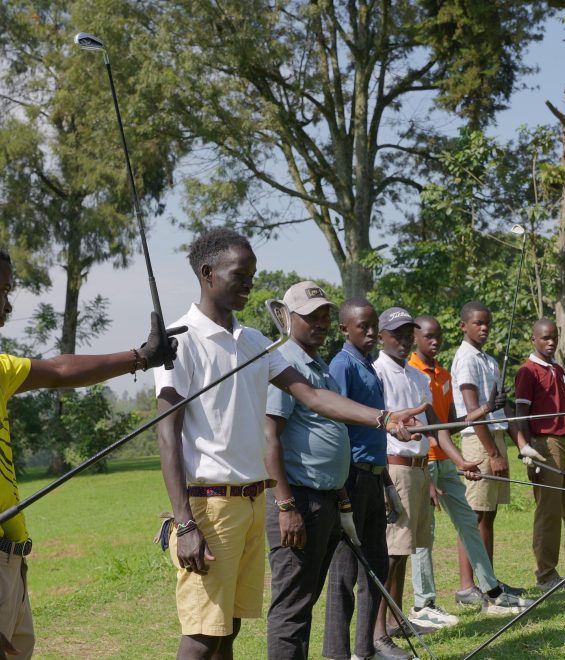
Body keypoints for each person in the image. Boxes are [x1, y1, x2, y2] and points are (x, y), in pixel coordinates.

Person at [154, 230, 423, 660]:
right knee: (203, 635)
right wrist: (185, 524)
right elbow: (167, 434)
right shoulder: (179, 339)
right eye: (239, 274)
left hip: (249, 502)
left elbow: (314, 396)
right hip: (208, 505)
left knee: (228, 631)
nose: (248, 283)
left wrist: (384, 418)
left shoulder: (255, 342)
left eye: (252, 275)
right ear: (207, 274)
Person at [0, 248, 181, 659]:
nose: (8, 304)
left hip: (11, 561)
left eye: (10, 290)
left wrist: (143, 357)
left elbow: (62, 370)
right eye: (2, 291)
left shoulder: (2, 369)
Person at [409, 315, 536, 624]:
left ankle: (491, 593)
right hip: (421, 462)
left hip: (445, 460)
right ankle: (424, 603)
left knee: (469, 522)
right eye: (428, 336)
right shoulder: (410, 373)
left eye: (438, 335)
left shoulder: (442, 374)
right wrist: (426, 474)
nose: (435, 341)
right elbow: (420, 429)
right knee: (423, 534)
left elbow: (449, 424)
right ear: (415, 338)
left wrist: (486, 409)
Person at [264, 281, 356, 659]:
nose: (320, 323)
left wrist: (341, 495)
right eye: (310, 317)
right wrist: (286, 507)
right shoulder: (283, 364)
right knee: (292, 611)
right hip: (298, 502)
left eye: (325, 316)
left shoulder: (317, 363)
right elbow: (269, 438)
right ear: (287, 319)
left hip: (324, 501)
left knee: (306, 601)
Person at [322, 298, 409, 660]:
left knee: (376, 566)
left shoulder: (368, 366)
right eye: (363, 327)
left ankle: (365, 651)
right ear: (345, 329)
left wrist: (386, 483)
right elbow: (336, 425)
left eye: (374, 325)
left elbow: (375, 436)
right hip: (351, 480)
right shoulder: (342, 366)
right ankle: (337, 654)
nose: (372, 332)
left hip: (373, 479)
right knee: (344, 573)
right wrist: (341, 490)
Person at [450, 301, 543, 597]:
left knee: (488, 515)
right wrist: (491, 453)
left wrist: (521, 444)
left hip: (496, 437)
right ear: (464, 325)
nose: (484, 327)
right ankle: (468, 586)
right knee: (474, 515)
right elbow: (472, 410)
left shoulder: (488, 360)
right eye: (477, 323)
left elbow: (503, 410)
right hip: (480, 442)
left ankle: (489, 580)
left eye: (487, 322)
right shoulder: (466, 359)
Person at [515, 319, 565, 589]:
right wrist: (526, 451)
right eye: (545, 338)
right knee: (548, 512)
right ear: (534, 339)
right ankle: (546, 575)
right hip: (544, 444)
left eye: (554, 338)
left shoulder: (559, 369)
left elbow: (563, 408)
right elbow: (520, 416)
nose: (551, 343)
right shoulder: (528, 372)